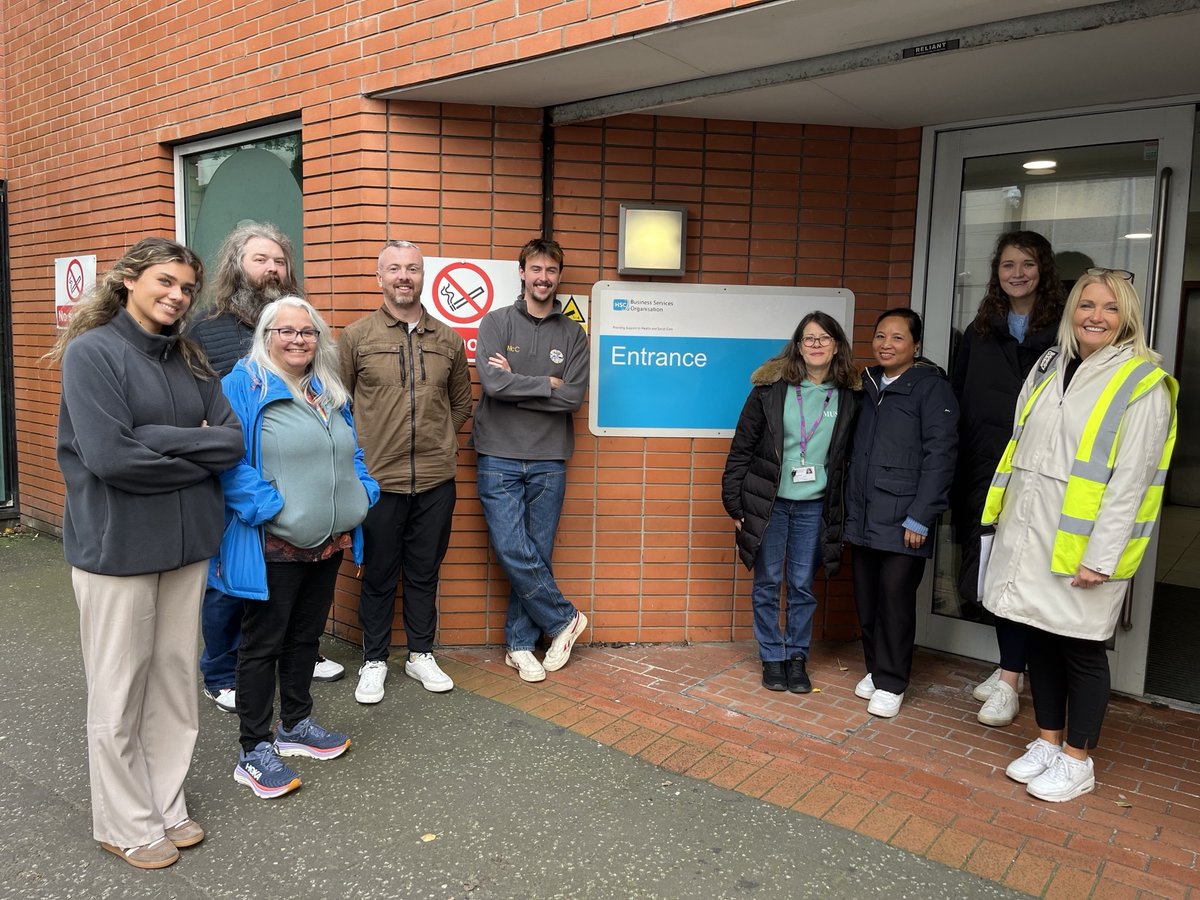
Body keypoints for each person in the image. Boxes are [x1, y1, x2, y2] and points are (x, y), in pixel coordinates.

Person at [50, 238, 244, 868]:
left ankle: (166, 804)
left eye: (187, 288)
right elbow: (111, 458)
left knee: (173, 684)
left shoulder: (189, 356)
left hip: (187, 548)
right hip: (119, 548)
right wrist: (194, 453)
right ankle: (124, 822)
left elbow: (231, 442)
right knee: (119, 689)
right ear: (129, 280)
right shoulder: (92, 353)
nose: (178, 296)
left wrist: (157, 438)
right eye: (166, 281)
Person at [983, 269, 1176, 802]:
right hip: (1031, 531)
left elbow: (1131, 483)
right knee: (1041, 638)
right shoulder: (1051, 363)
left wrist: (1102, 557)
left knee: (1083, 650)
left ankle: (1077, 759)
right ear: (1072, 310)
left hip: (1085, 545)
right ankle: (1048, 742)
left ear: (1127, 318)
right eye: (1087, 304)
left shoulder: (1143, 383)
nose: (1096, 316)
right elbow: (1023, 447)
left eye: (1111, 308)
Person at [212, 296, 379, 798]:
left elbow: (351, 450)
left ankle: (296, 725)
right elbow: (226, 458)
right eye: (285, 331)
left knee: (306, 637)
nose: (297, 340)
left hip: (328, 540)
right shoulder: (243, 384)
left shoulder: (325, 387)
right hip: (275, 543)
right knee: (262, 644)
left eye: (306, 332)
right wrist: (268, 508)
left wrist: (363, 492)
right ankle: (253, 749)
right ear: (266, 336)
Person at [193, 223, 343, 715]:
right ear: (236, 265)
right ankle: (220, 673)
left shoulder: (301, 326)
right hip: (237, 482)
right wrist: (258, 498)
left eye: (279, 260)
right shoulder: (206, 328)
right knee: (229, 583)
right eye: (260, 260)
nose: (272, 269)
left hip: (297, 484)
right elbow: (196, 407)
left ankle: (298, 655)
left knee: (290, 586)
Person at [340, 241, 473, 703]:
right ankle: (374, 660)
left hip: (436, 480)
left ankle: (420, 654)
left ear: (422, 276)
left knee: (423, 571)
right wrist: (362, 453)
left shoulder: (448, 340)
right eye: (394, 269)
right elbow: (340, 405)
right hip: (378, 480)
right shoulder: (356, 337)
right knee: (378, 573)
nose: (404, 277)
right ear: (380, 278)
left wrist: (441, 439)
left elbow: (461, 404)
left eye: (412, 269)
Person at [951, 231, 1066, 727]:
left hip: (1043, 472)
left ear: (1044, 269)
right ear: (996, 272)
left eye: (1028, 264)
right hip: (985, 470)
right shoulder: (979, 332)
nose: (1017, 273)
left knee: (1029, 571)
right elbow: (960, 400)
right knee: (995, 570)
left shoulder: (1067, 331)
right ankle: (1009, 671)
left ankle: (1012, 677)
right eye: (1008, 265)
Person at [722, 312, 860, 693]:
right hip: (770, 503)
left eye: (824, 338)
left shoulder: (850, 395)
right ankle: (772, 655)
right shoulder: (770, 389)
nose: (816, 345)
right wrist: (735, 504)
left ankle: (796, 656)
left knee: (801, 584)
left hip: (815, 505)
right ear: (798, 346)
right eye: (808, 338)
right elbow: (742, 448)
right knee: (767, 581)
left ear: (836, 346)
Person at [473, 238, 590, 683]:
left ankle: (520, 645)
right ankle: (564, 618)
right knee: (511, 548)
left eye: (551, 270)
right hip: (498, 454)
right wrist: (546, 384)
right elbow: (493, 385)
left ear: (558, 276)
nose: (543, 278)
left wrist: (517, 383)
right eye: (535, 269)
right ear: (522, 272)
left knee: (536, 553)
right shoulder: (496, 321)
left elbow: (572, 398)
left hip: (549, 458)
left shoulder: (573, 333)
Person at [844, 308, 958, 719]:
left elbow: (941, 455)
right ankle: (876, 669)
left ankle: (892, 682)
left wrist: (921, 515)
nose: (886, 344)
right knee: (868, 599)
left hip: (905, 516)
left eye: (897, 337)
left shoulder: (931, 388)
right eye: (880, 336)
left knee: (895, 601)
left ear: (915, 344)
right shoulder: (866, 383)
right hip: (864, 511)